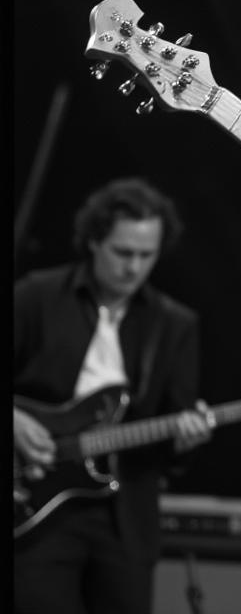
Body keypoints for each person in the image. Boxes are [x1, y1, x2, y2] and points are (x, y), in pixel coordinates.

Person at [13, 176, 213, 614]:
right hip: (35, 505)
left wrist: (186, 439)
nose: (134, 268)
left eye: (147, 255)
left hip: (125, 515)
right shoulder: (37, 296)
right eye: (123, 253)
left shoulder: (174, 324)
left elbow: (173, 439)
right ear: (93, 242)